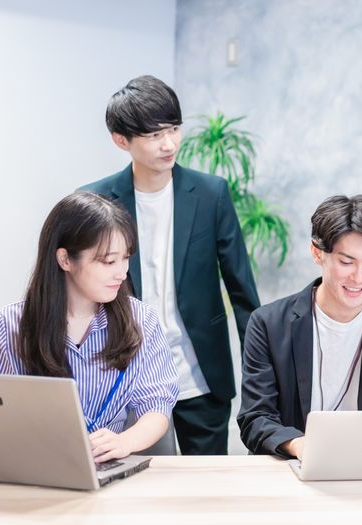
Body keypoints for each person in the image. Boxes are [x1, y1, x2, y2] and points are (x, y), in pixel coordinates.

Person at [80, 75, 260, 455]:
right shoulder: (96, 201)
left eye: (174, 129)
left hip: (200, 375)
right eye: (154, 135)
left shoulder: (211, 194)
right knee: (136, 480)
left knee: (206, 484)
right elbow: (81, 292)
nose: (169, 144)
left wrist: (259, 372)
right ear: (121, 140)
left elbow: (241, 289)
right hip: (127, 377)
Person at [0, 192, 178, 463]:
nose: (122, 272)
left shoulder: (142, 320)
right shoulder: (11, 325)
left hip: (110, 465)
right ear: (65, 260)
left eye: (126, 258)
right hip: (37, 467)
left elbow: (157, 405)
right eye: (108, 261)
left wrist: (124, 442)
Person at [238, 195, 362, 458]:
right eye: (346, 262)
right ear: (317, 253)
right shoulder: (268, 324)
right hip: (289, 465)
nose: (359, 278)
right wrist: (300, 446)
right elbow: (255, 417)